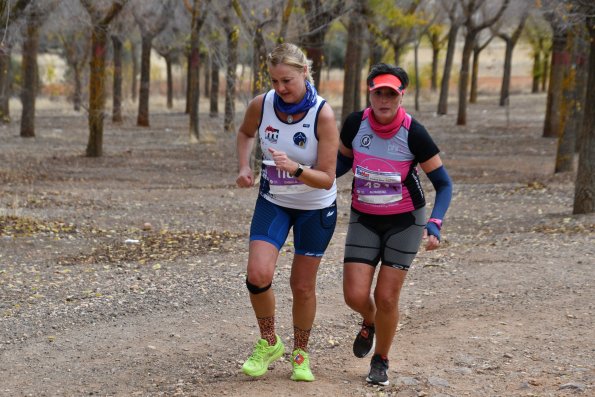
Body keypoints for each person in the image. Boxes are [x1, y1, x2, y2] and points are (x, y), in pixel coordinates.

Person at [336, 63, 453, 386]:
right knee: (354, 295)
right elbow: (343, 160)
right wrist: (316, 177)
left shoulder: (414, 133)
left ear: (402, 96)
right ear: (369, 94)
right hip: (364, 217)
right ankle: (370, 320)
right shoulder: (354, 124)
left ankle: (381, 359)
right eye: (378, 93)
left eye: (391, 93)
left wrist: (435, 222)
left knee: (387, 296)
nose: (384, 100)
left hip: (405, 221)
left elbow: (443, 184)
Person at [235, 43, 339, 382]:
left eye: (288, 80)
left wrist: (295, 169)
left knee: (302, 285)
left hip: (315, 207)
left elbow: (326, 178)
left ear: (305, 73)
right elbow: (245, 133)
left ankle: (301, 353)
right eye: (275, 80)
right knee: (258, 274)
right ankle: (269, 342)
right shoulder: (261, 105)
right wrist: (244, 167)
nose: (280, 88)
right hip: (274, 201)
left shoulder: (322, 114)